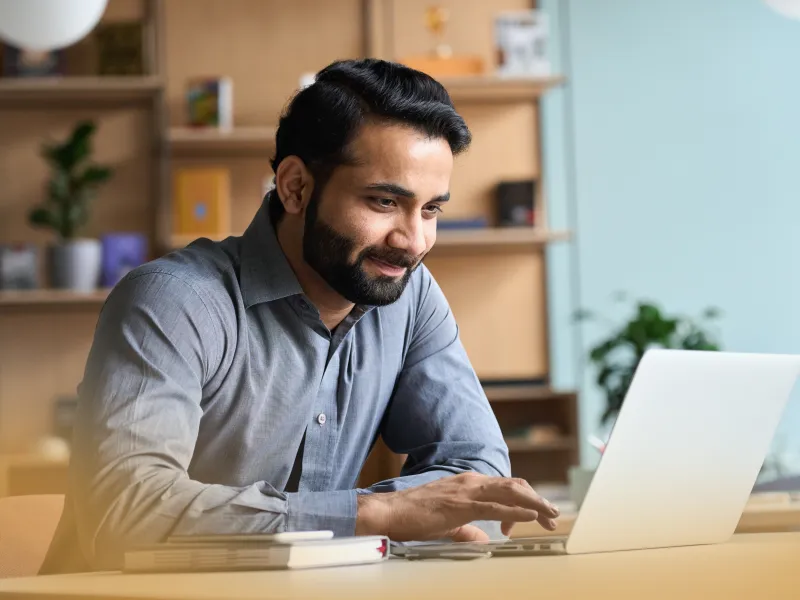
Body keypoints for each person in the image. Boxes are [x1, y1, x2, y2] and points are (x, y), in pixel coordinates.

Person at [40, 58, 559, 574]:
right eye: (383, 201)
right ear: (295, 187)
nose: (413, 242)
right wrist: (375, 514)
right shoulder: (173, 301)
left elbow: (478, 469)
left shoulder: (410, 295)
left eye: (430, 210)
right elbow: (125, 513)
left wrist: (388, 516)